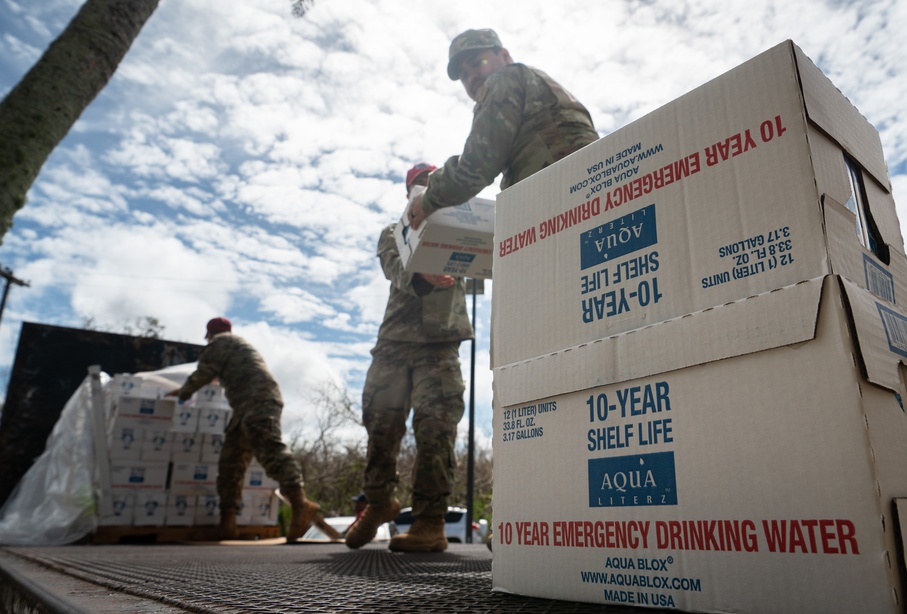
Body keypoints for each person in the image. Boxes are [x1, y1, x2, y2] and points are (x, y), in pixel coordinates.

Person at [345, 164, 474, 552]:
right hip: (394, 346)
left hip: (439, 346)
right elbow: (394, 264)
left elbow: (485, 263)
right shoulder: (394, 232)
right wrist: (423, 275)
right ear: (409, 195)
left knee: (436, 430)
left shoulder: (462, 228)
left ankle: (430, 523)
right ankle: (380, 502)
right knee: (381, 429)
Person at [406, 28, 598, 229]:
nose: (471, 77)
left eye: (476, 63)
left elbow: (478, 165)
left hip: (563, 201)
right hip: (576, 196)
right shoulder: (529, 79)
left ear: (505, 56)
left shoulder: (504, 79)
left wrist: (428, 200)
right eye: (463, 75)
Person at [167, 317, 336, 543]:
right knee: (230, 463)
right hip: (246, 406)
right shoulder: (237, 345)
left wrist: (182, 392)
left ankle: (300, 502)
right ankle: (227, 525)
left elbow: (203, 373)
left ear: (209, 334)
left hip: (258, 401)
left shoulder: (219, 344)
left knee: (270, 449)